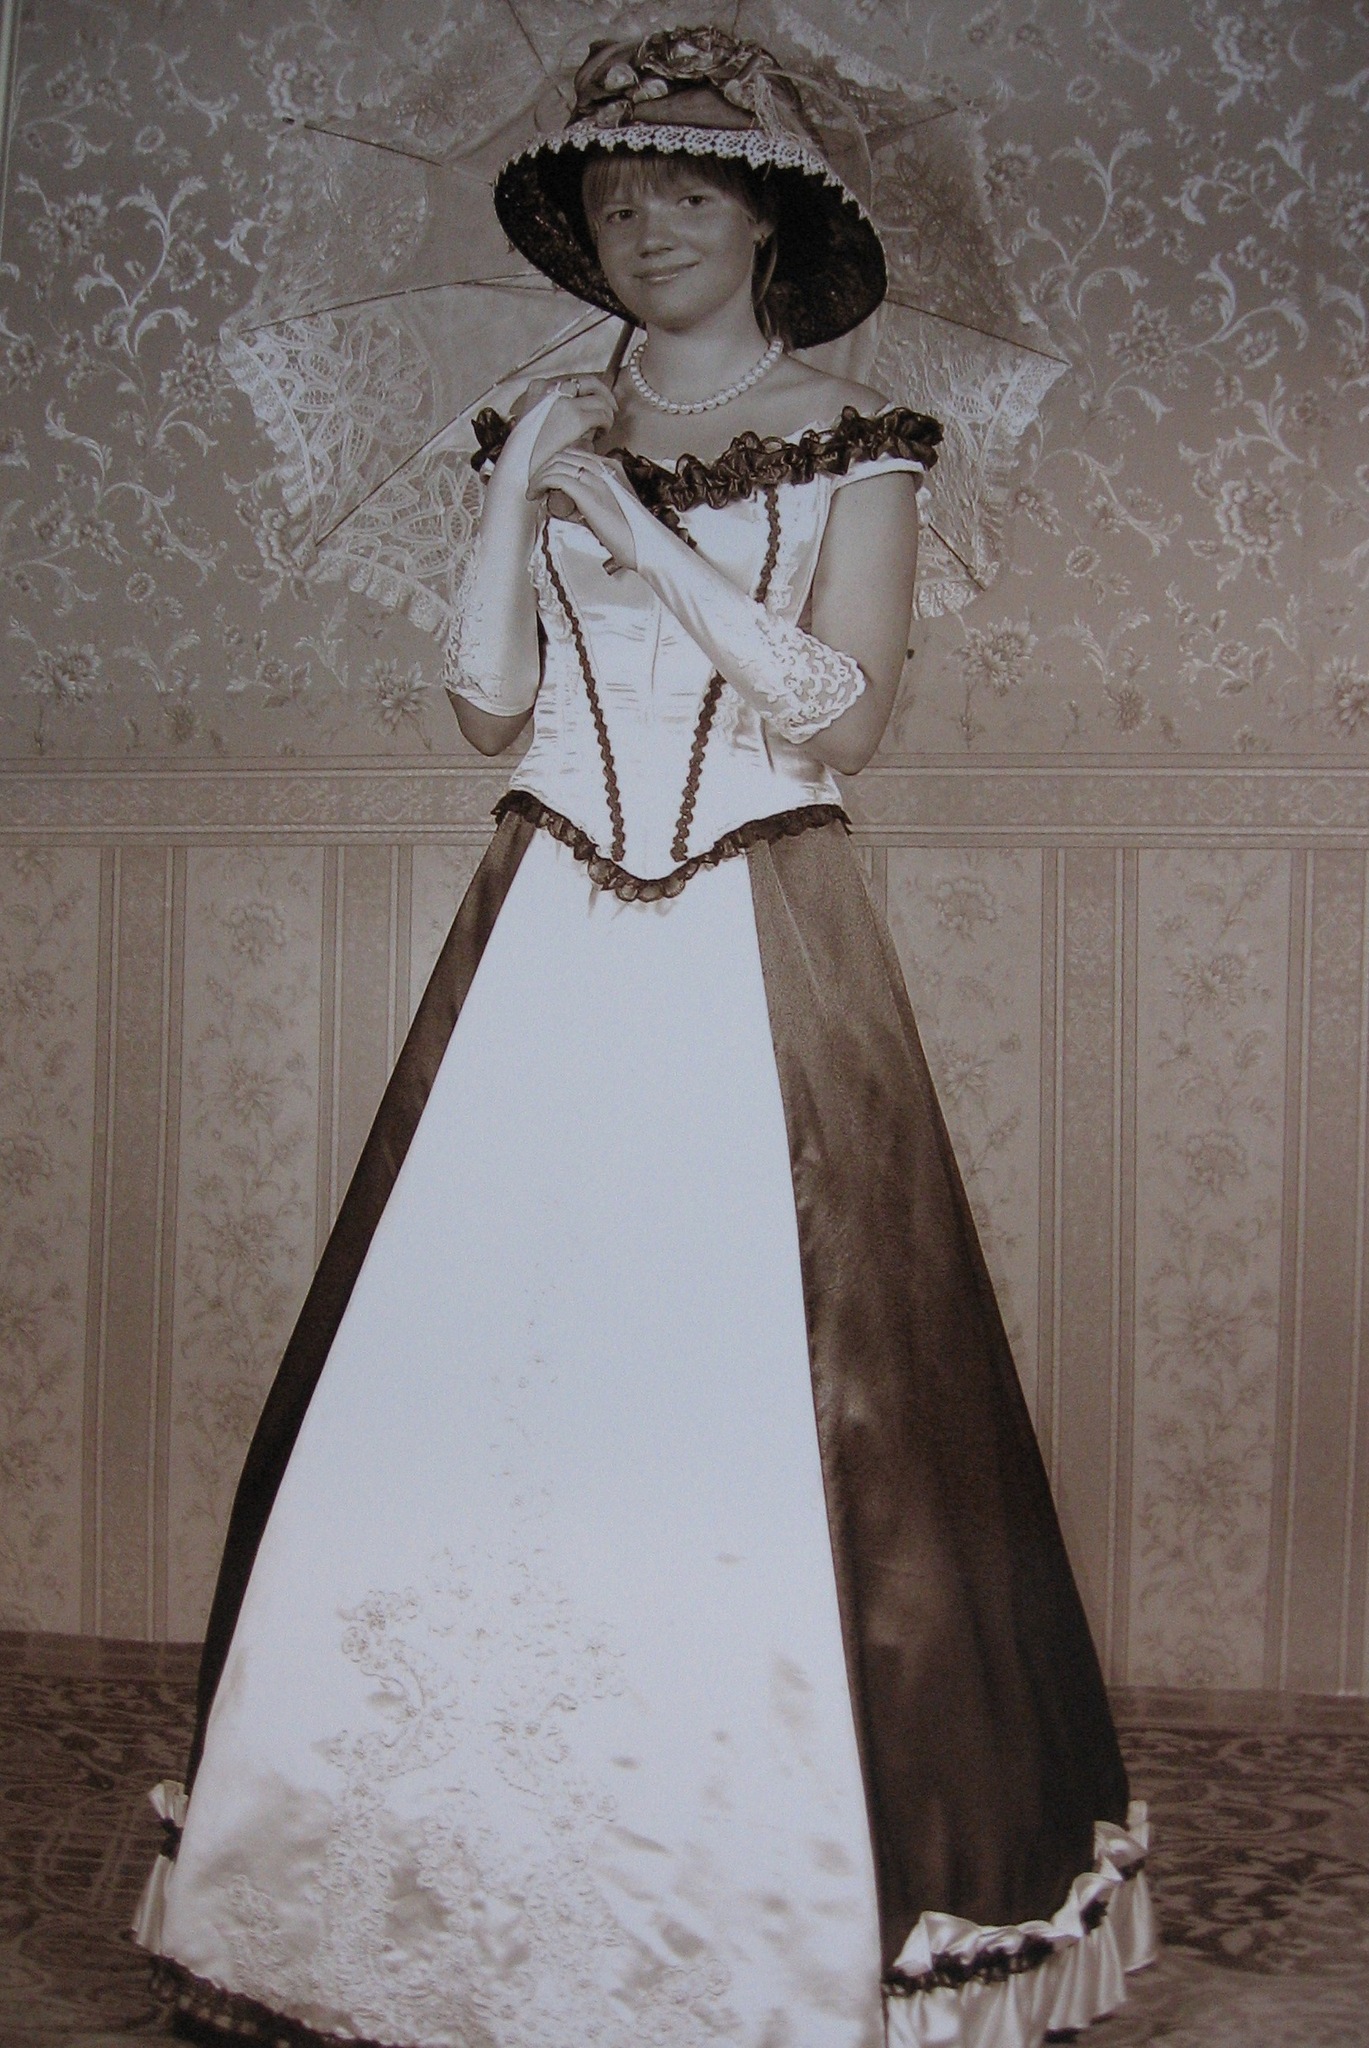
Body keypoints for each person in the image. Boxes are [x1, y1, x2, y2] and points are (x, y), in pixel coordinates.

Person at [134, 27, 1154, 2048]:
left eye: (687, 192)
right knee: (470, 1361)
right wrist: (522, 485)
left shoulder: (858, 437)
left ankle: (762, 1912)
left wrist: (642, 526)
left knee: (770, 1377)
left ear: (768, 223)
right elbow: (487, 708)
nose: (648, 226)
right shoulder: (546, 424)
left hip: (753, 930)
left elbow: (841, 713)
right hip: (542, 940)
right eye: (614, 201)